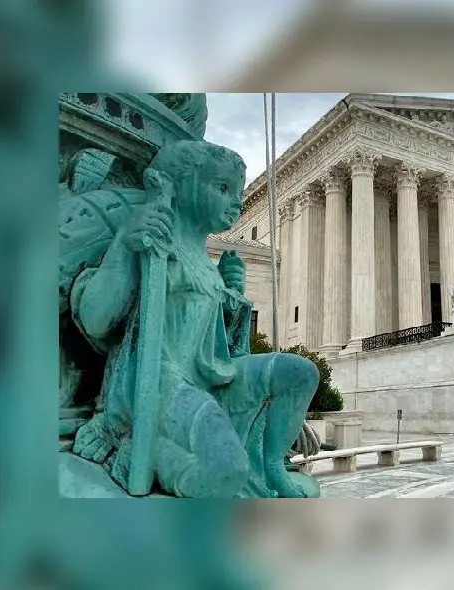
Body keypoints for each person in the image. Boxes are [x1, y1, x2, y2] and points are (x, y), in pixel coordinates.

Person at [69, 140, 316, 498]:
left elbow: (220, 346)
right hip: (159, 384)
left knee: (300, 373)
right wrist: (125, 245)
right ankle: (137, 448)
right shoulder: (151, 238)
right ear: (183, 186)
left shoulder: (204, 262)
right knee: (225, 472)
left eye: (238, 191)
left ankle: (273, 466)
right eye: (222, 188)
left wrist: (233, 298)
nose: (236, 201)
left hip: (211, 377)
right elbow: (96, 320)